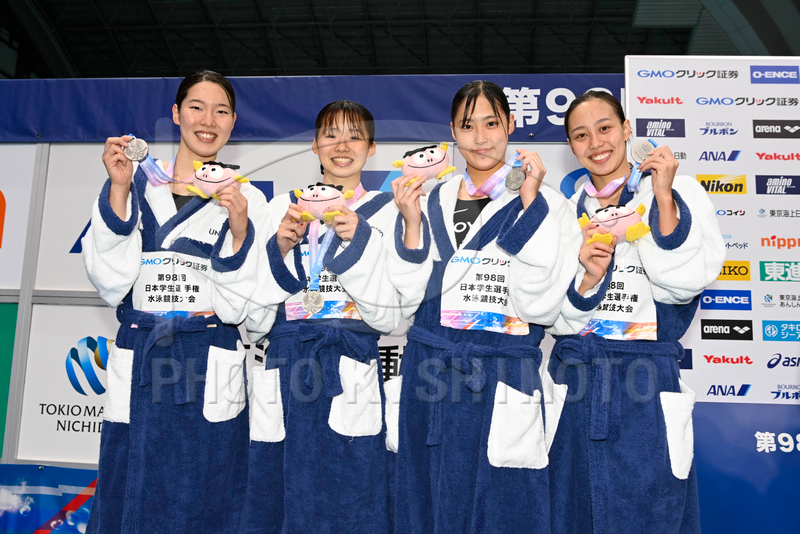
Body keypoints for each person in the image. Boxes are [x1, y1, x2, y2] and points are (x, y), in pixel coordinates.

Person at [386, 80, 583, 533]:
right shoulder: (428, 198)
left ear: (511, 125)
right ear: (451, 132)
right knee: (424, 500)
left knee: (507, 507)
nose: (480, 137)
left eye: (491, 123)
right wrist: (412, 224)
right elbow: (406, 296)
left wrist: (530, 202)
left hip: (504, 371)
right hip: (430, 368)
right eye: (467, 125)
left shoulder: (550, 204)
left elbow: (545, 302)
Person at [82, 70, 268, 533]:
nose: (208, 120)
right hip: (143, 350)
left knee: (209, 491)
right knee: (129, 480)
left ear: (233, 122)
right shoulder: (138, 182)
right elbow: (110, 279)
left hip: (208, 356)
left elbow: (242, 308)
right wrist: (119, 188)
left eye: (221, 110)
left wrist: (241, 230)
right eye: (197, 107)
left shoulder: (248, 199)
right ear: (176, 114)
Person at [545, 90, 726, 534]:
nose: (595, 143)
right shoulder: (565, 214)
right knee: (573, 511)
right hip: (579, 381)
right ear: (571, 146)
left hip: (645, 377)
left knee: (653, 511)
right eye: (581, 135)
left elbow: (686, 281)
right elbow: (553, 312)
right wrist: (586, 279)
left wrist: (660, 199)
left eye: (605, 128)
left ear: (627, 130)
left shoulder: (676, 189)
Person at [240, 100, 399, 533]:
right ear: (314, 145)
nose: (342, 145)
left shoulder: (388, 212)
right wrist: (280, 251)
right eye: (331, 134)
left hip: (351, 357)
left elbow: (392, 317)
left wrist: (358, 242)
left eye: (354, 136)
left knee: (356, 490)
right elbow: (254, 315)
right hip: (287, 358)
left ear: (371, 148)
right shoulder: (279, 209)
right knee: (277, 486)